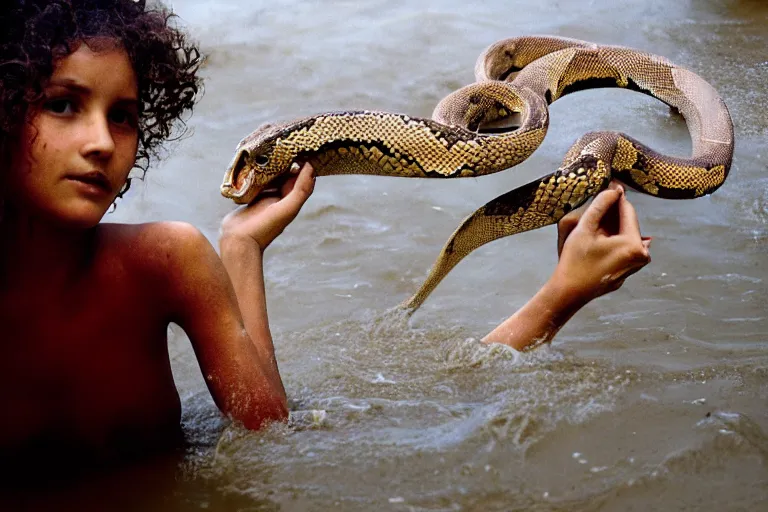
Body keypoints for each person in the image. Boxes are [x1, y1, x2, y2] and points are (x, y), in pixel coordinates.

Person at [0, 0, 651, 469]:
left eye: (123, 116)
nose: (99, 143)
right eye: (63, 104)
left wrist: (243, 247)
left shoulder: (165, 260)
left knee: (416, 414)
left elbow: (270, 439)